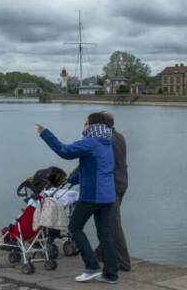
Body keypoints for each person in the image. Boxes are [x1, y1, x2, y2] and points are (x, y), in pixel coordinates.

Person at [36, 112, 118, 284]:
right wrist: (72, 179)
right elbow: (92, 168)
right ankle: (111, 274)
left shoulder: (90, 142)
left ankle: (92, 266)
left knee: (74, 227)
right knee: (105, 233)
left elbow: (64, 151)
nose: (84, 126)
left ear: (93, 125)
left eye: (86, 123)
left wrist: (45, 133)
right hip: (108, 195)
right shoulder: (106, 142)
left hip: (93, 195)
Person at [69, 111, 131, 271]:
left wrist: (74, 175)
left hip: (110, 186)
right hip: (121, 183)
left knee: (113, 226)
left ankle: (123, 263)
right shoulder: (119, 136)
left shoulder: (106, 139)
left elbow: (96, 158)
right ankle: (101, 254)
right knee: (108, 224)